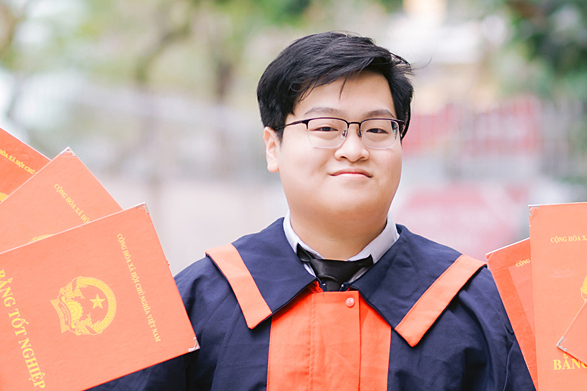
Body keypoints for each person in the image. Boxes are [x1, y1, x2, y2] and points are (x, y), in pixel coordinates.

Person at [93, 31, 534, 390]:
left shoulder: (478, 306)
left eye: (378, 128)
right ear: (274, 147)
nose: (354, 148)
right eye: (326, 127)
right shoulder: (197, 302)